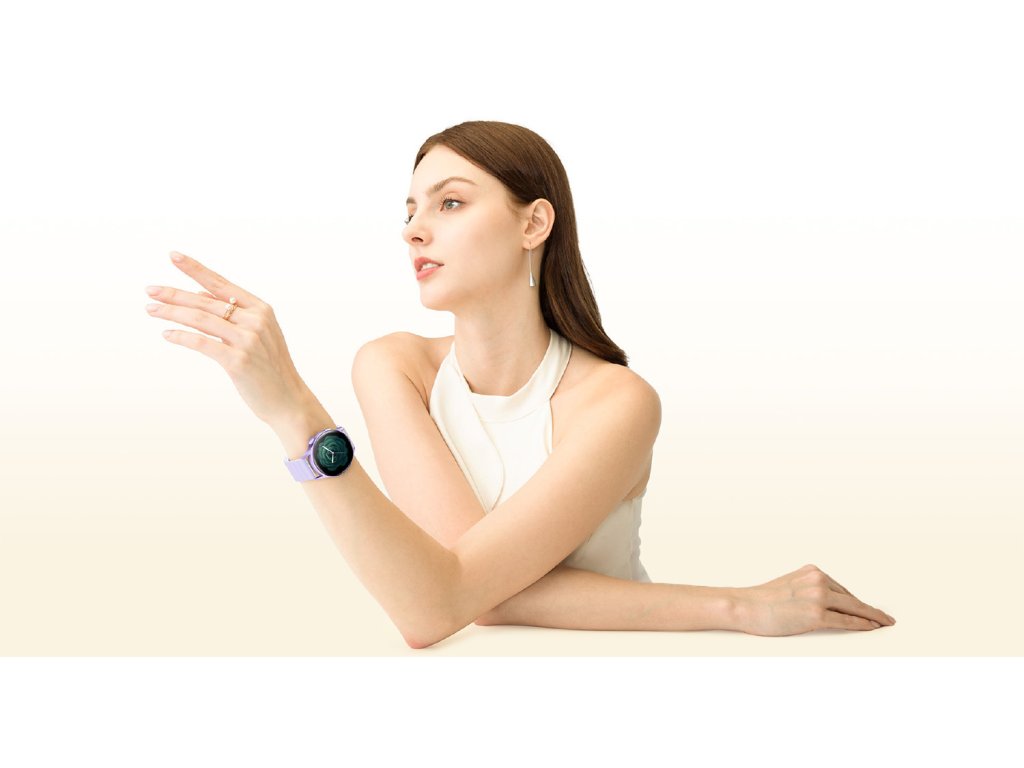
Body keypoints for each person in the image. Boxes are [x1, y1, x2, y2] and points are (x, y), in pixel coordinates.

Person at [145, 120, 895, 649]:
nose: (413, 229)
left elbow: (444, 599)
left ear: (534, 223)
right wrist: (735, 604)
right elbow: (451, 596)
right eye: (410, 210)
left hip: (625, 679)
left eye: (449, 202)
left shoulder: (616, 402)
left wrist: (295, 409)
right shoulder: (392, 366)